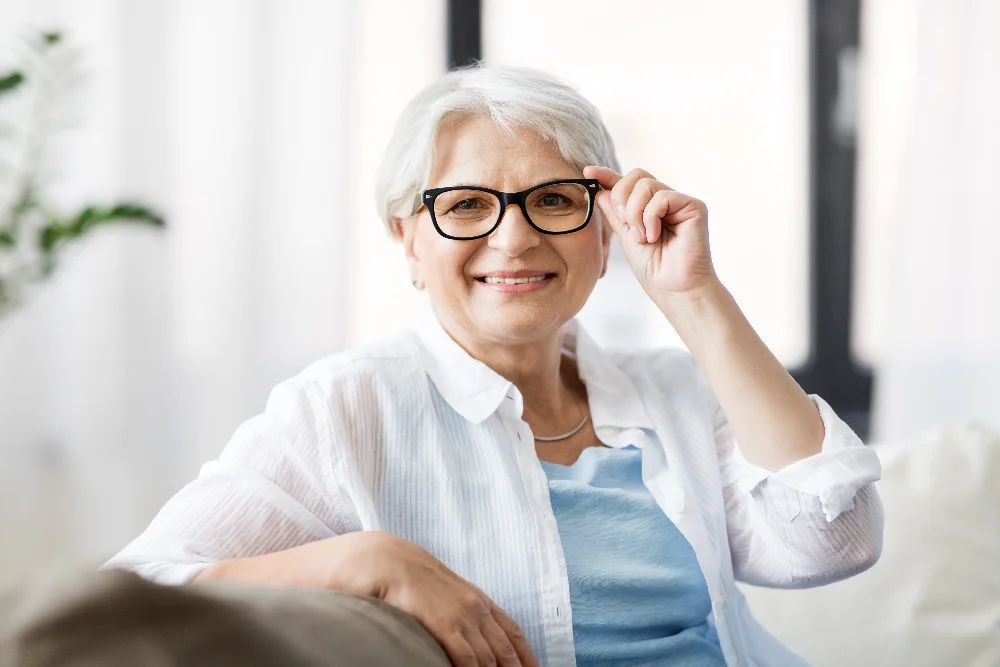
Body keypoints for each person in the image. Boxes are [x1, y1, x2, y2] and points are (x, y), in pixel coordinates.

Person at [103, 65, 883, 667]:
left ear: (604, 229)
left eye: (552, 200)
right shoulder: (347, 407)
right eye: (468, 206)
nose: (513, 241)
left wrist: (695, 294)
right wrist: (367, 559)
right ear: (409, 239)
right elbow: (131, 596)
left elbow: (833, 539)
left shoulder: (675, 391)